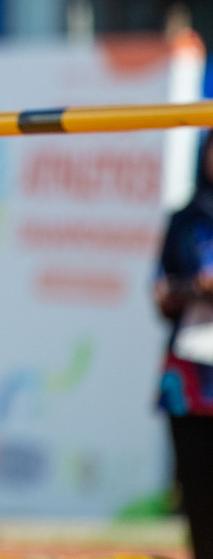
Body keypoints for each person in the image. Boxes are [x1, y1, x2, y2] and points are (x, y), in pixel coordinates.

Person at [155, 133, 213, 559]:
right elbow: (160, 292)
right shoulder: (186, 217)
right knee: (196, 487)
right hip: (192, 371)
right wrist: (192, 288)